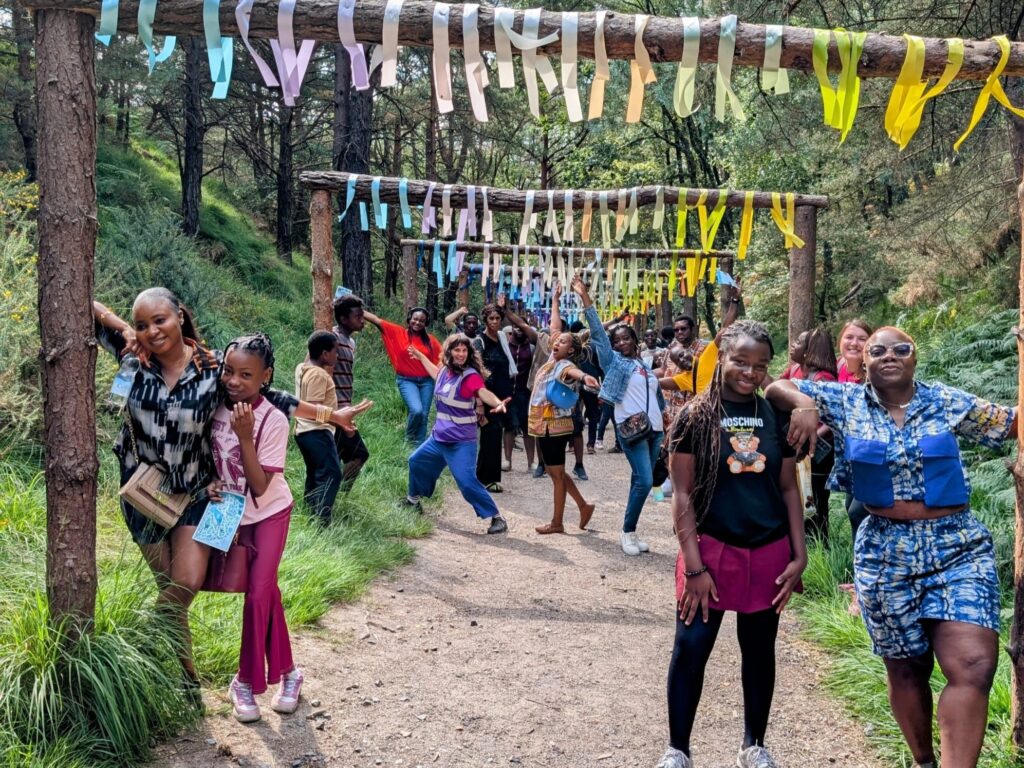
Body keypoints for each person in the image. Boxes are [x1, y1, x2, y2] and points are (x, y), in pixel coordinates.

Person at [92, 289, 370, 697]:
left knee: (187, 581)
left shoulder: (211, 368)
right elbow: (89, 303)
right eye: (143, 324)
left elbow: (270, 395)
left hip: (200, 493)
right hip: (143, 496)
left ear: (180, 318)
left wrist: (330, 415)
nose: (152, 331)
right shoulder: (132, 357)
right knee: (169, 587)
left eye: (160, 321)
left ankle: (139, 642)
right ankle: (188, 682)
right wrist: (123, 329)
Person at [766, 326, 1017, 768]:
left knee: (974, 666)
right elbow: (774, 385)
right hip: (885, 551)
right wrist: (805, 403)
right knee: (906, 667)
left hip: (957, 546)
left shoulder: (944, 400)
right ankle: (923, 760)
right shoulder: (844, 402)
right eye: (876, 349)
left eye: (900, 348)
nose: (888, 355)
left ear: (914, 357)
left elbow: (1011, 422)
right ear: (862, 361)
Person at [657, 319, 806, 768]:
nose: (750, 372)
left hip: (768, 552)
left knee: (760, 650)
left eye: (760, 365)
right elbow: (681, 494)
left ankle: (753, 745)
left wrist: (799, 554)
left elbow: (787, 490)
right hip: (710, 549)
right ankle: (677, 749)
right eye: (740, 360)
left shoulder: (774, 416)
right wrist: (695, 567)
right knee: (691, 648)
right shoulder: (693, 417)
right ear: (720, 354)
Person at [208, 334, 302, 724]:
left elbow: (261, 485)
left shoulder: (273, 419)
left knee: (257, 596)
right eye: (229, 371)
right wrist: (211, 482)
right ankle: (291, 673)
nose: (234, 381)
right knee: (265, 593)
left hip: (269, 512)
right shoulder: (213, 409)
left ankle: (244, 681)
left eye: (246, 375)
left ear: (265, 377)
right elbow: (211, 459)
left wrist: (246, 435)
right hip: (230, 514)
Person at [573, 275, 666, 557]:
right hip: (632, 429)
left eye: (627, 337)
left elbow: (657, 395)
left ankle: (631, 531)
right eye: (618, 340)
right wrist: (584, 296)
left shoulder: (644, 365)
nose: (622, 342)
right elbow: (598, 334)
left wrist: (666, 419)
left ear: (634, 340)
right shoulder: (614, 362)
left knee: (642, 480)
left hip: (655, 430)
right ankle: (627, 532)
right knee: (645, 481)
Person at [405, 335, 511, 534]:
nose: (461, 354)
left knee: (466, 482)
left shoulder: (470, 376)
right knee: (416, 461)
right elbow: (435, 373)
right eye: (457, 350)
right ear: (449, 352)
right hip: (438, 439)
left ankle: (497, 517)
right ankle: (413, 501)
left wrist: (497, 403)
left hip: (461, 442)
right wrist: (420, 356)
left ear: (469, 354)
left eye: (464, 351)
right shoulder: (445, 371)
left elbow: (482, 391)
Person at [528, 331, 599, 534]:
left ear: (571, 350)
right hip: (544, 425)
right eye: (557, 340)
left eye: (563, 341)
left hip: (554, 427)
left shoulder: (564, 365)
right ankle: (583, 506)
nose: (557, 342)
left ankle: (557, 522)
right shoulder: (553, 360)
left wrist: (585, 377)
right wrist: (556, 301)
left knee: (557, 475)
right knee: (554, 471)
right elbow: (555, 324)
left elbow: (574, 372)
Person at [363, 306, 442, 446]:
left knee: (423, 416)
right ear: (409, 319)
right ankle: (408, 440)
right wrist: (353, 307)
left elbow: (442, 358)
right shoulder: (398, 332)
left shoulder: (431, 341)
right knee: (416, 410)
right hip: (407, 380)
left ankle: (419, 446)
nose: (417, 323)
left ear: (426, 323)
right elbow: (376, 320)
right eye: (415, 319)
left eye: (422, 321)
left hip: (427, 382)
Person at [294, 331, 343, 525]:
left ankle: (310, 510)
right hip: (316, 431)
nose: (337, 355)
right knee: (332, 474)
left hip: (304, 432)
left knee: (316, 472)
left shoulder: (302, 368)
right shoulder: (318, 374)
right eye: (335, 351)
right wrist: (338, 420)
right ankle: (321, 521)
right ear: (324, 354)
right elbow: (313, 408)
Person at [473, 302, 518, 492]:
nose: (494, 321)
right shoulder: (479, 341)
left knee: (495, 435)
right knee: (489, 435)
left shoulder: (502, 339)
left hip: (502, 396)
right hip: (485, 395)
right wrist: (479, 402)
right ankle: (485, 478)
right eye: (491, 318)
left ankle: (485, 477)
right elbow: (475, 371)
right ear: (485, 320)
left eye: (497, 318)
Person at [331, 294, 371, 490]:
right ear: (343, 319)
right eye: (358, 316)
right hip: (331, 411)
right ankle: (336, 495)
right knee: (358, 454)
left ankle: (336, 495)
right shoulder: (332, 339)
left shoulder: (350, 342)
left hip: (344, 410)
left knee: (351, 456)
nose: (362, 320)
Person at [837, 319, 871, 384]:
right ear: (840, 341)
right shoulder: (837, 365)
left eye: (862, 339)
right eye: (849, 337)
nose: (854, 343)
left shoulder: (875, 378)